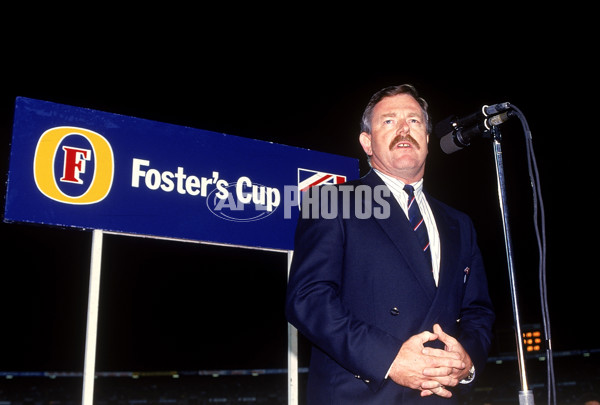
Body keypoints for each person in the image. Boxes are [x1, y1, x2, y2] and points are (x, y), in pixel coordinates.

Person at [285, 84, 495, 404]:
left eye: (414, 121)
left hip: (440, 395)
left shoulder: (459, 223)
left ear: (426, 138)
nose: (403, 130)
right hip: (360, 395)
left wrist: (466, 362)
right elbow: (308, 300)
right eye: (388, 121)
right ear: (366, 143)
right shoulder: (329, 200)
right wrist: (390, 359)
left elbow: (478, 311)